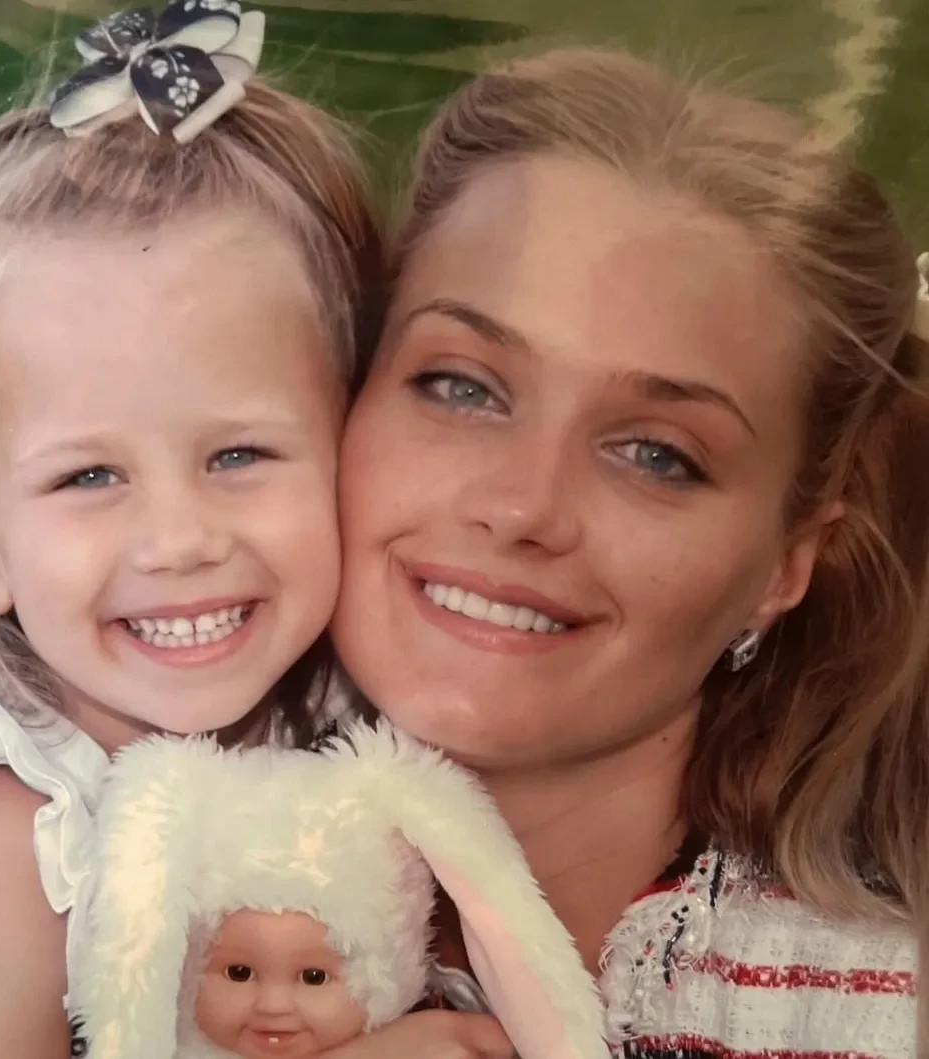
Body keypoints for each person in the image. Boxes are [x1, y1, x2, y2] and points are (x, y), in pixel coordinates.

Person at [328, 47, 927, 1058]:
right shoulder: (81, 886)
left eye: (657, 454)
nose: (523, 506)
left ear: (787, 561)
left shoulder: (885, 1020)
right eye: (462, 387)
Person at [0, 4, 382, 1055]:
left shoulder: (329, 737)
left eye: (239, 454)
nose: (179, 539)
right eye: (89, 475)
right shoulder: (3, 844)